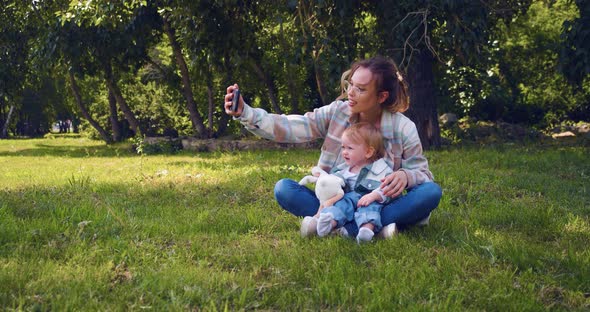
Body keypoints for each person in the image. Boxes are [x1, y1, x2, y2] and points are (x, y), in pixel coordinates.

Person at [224, 55, 442, 239]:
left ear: (381, 96)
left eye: (361, 89)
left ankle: (343, 226)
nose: (351, 93)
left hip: (377, 202)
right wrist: (246, 113)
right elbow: (290, 126)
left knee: (431, 193)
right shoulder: (337, 113)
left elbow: (423, 175)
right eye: (351, 85)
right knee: (284, 189)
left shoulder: (403, 128)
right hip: (334, 200)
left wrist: (406, 176)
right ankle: (372, 227)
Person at [314, 122, 393, 244]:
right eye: (343, 147)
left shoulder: (381, 169)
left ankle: (365, 231)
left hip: (369, 201)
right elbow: (332, 186)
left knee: (370, 209)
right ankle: (330, 222)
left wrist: (373, 196)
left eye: (349, 148)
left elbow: (388, 187)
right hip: (348, 202)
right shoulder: (343, 170)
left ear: (368, 152)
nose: (344, 152)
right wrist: (323, 179)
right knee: (341, 204)